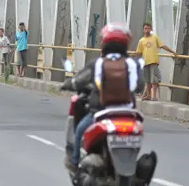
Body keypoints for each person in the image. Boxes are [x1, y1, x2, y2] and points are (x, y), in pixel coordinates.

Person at [61, 22, 145, 172]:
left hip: (101, 111)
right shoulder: (132, 64)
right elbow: (140, 87)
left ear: (104, 42)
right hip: (128, 113)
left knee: (80, 130)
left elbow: (79, 81)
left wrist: (68, 83)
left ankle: (74, 162)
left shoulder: (98, 63)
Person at [136, 23, 178, 101]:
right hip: (145, 62)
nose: (147, 30)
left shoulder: (155, 38)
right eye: (145, 28)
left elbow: (162, 46)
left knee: (154, 80)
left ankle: (154, 96)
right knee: (148, 81)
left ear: (151, 29)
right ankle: (148, 95)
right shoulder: (141, 41)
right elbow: (138, 52)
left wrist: (172, 52)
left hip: (154, 61)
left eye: (148, 28)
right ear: (143, 30)